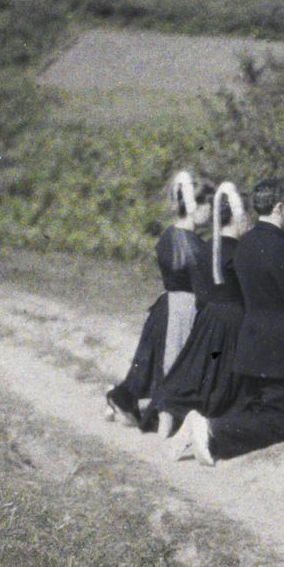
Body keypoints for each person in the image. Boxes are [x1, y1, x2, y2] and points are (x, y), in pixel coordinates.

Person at [174, 178, 284, 465]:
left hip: (251, 343)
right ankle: (210, 427)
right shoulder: (282, 247)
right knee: (281, 425)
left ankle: (211, 434)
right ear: (279, 207)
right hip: (283, 347)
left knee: (257, 409)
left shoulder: (247, 243)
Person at [107, 170, 212, 430]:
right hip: (184, 310)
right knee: (170, 364)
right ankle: (169, 414)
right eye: (208, 205)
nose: (212, 212)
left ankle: (125, 400)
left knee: (150, 362)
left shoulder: (171, 235)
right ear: (195, 206)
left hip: (167, 305)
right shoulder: (192, 245)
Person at [152, 181, 255, 439]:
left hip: (208, 318)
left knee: (189, 372)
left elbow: (202, 293)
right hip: (234, 321)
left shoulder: (204, 248)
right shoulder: (243, 253)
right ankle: (207, 427)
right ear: (240, 218)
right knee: (226, 379)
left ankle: (170, 426)